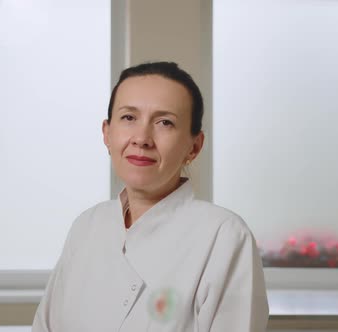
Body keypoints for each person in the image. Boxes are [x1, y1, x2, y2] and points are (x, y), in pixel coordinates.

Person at [32, 62, 269, 331]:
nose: (142, 138)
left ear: (194, 146)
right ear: (107, 134)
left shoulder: (225, 236)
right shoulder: (87, 226)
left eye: (164, 122)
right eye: (129, 118)